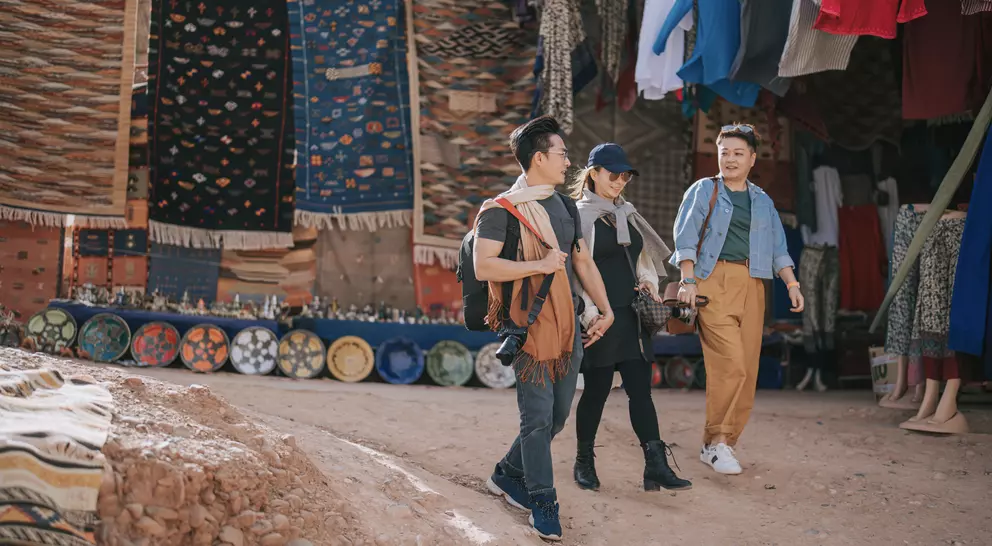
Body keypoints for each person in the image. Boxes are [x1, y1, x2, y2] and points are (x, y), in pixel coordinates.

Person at [474, 115, 614, 542]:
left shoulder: (566, 205)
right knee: (536, 419)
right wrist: (537, 264)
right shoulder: (501, 210)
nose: (568, 162)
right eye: (562, 154)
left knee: (556, 417)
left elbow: (581, 261)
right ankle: (543, 500)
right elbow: (483, 266)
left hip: (567, 323)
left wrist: (606, 310)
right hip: (528, 324)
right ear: (539, 158)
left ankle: (505, 474)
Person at [671, 123, 804, 475]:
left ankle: (722, 443)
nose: (729, 159)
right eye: (724, 152)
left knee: (748, 369)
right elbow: (684, 236)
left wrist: (792, 284)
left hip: (753, 285)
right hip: (712, 282)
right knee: (731, 365)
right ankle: (717, 442)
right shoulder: (704, 190)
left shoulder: (762, 201)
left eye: (738, 153)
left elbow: (778, 248)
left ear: (752, 158)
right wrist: (688, 280)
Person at [569, 143, 692, 493]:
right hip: (601, 318)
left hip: (632, 315)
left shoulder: (628, 213)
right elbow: (577, 272)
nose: (621, 181)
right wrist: (591, 313)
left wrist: (650, 283)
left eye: (626, 175)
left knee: (642, 392)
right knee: (596, 391)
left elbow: (642, 261)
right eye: (614, 174)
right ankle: (584, 462)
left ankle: (656, 466)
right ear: (593, 173)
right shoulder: (581, 216)